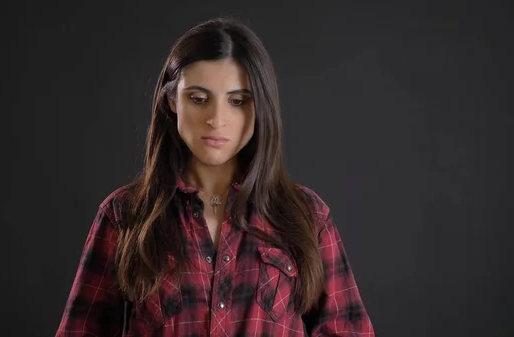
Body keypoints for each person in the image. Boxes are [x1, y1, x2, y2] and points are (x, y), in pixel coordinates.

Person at [55, 17, 375, 337]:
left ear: (260, 106)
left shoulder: (307, 216)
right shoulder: (124, 216)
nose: (216, 119)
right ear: (171, 100)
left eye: (237, 101)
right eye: (198, 98)